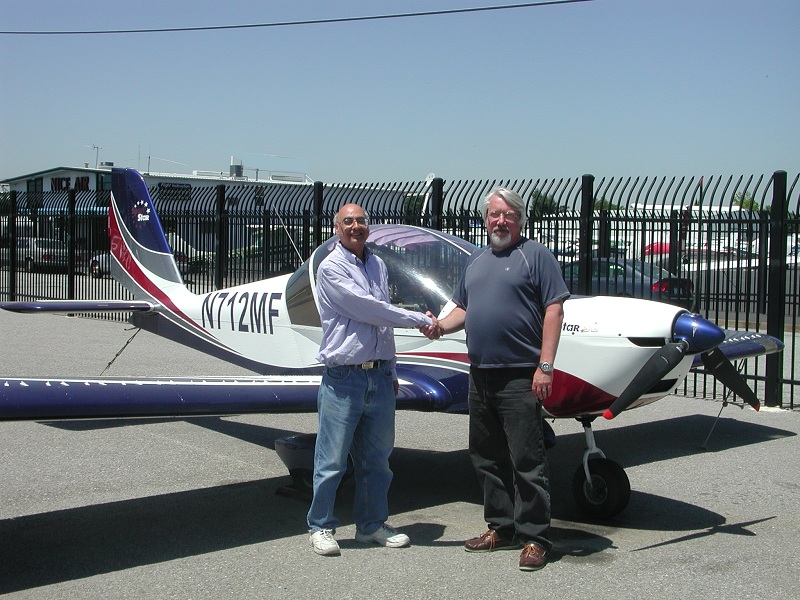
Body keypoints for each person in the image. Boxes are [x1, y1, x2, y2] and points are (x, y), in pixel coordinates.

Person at [424, 186, 569, 571]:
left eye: (507, 215)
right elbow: (463, 310)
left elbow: (554, 311)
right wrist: (440, 327)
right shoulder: (476, 261)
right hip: (481, 375)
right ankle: (501, 528)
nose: (500, 221)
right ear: (485, 219)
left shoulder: (535, 255)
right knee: (487, 458)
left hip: (520, 376)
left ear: (519, 219)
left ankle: (536, 537)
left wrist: (546, 365)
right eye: (493, 215)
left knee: (527, 459)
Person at [307, 202, 437, 557]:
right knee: (331, 460)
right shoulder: (331, 267)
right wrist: (418, 320)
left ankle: (371, 525)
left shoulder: (377, 264)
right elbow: (367, 307)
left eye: (361, 221)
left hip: (378, 377)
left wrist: (391, 370)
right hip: (343, 378)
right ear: (337, 228)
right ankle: (321, 526)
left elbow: (381, 327)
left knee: (378, 461)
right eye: (347, 221)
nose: (355, 226)